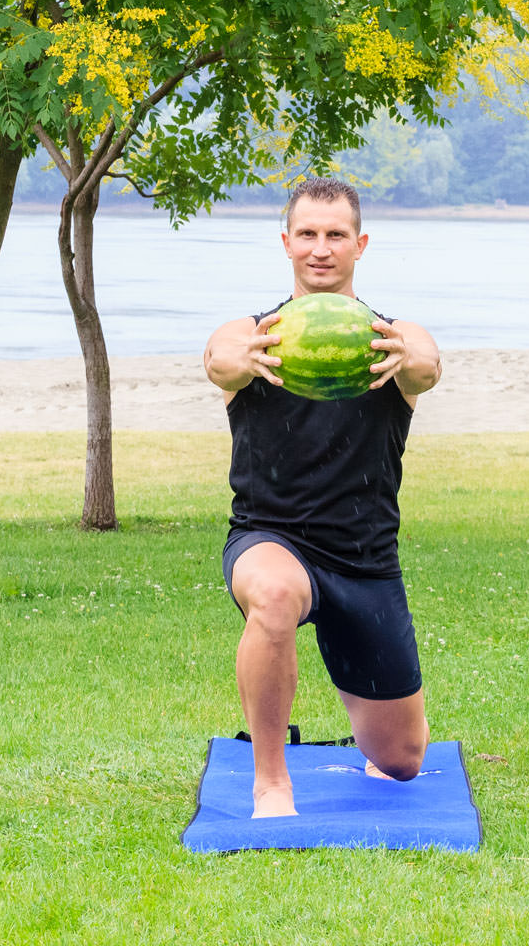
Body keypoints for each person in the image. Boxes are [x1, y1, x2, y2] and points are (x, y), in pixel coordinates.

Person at [203, 177, 442, 818]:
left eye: (336, 235)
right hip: (268, 538)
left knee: (402, 762)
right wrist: (239, 359)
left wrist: (413, 356)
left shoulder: (391, 340)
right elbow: (219, 359)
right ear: (286, 242)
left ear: (360, 244)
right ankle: (271, 782)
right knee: (276, 595)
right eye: (307, 234)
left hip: (364, 558)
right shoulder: (251, 336)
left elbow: (425, 364)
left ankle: (366, 713)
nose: (320, 248)